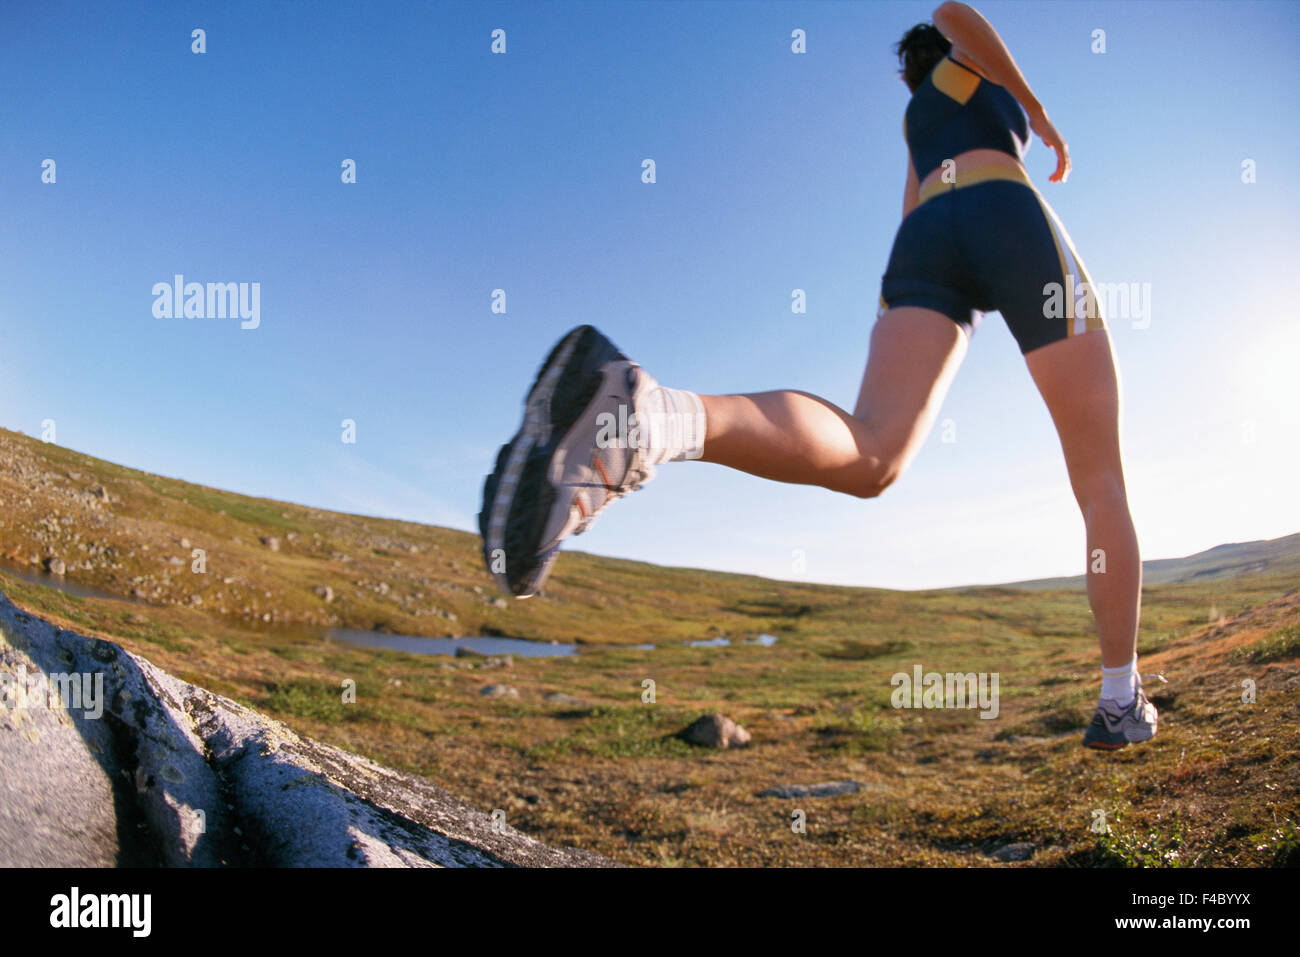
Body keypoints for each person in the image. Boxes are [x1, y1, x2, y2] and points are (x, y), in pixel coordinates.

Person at [479, 2, 1156, 750]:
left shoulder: (916, 126)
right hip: (1008, 213)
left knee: (873, 453)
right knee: (1100, 480)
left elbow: (910, 218)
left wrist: (901, 299)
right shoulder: (970, 63)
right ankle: (1120, 699)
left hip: (925, 242)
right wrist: (1039, 114)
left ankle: (653, 419)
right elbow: (952, 8)